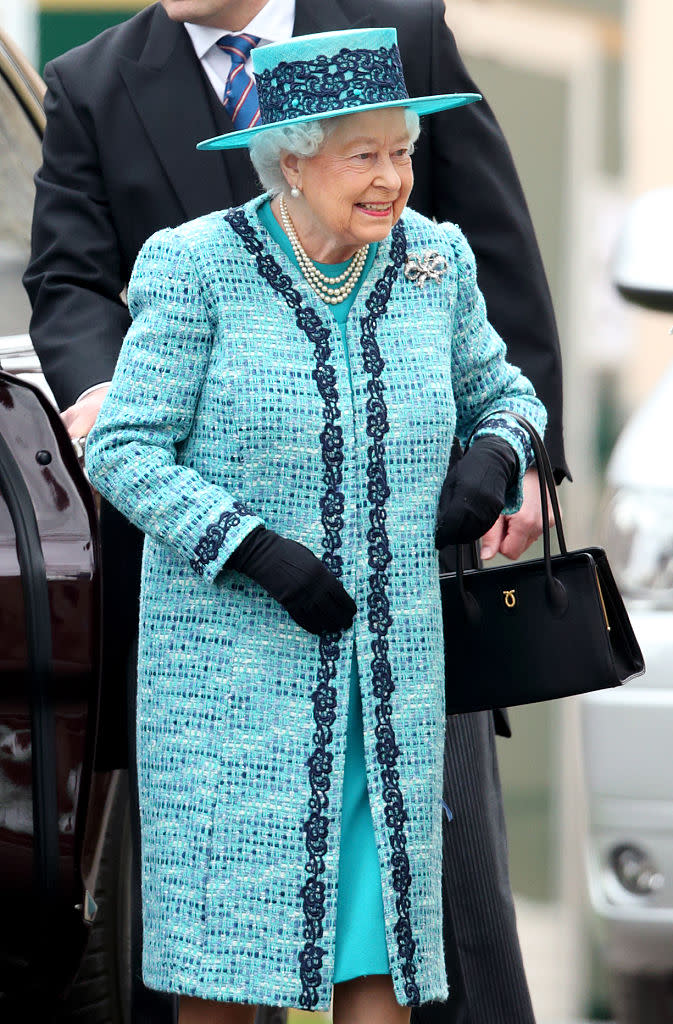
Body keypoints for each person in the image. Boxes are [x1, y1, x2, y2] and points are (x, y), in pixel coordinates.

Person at [24, 2, 568, 1022]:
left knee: (401, 955)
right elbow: (119, 422)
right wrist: (253, 549)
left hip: (394, 675)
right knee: (228, 973)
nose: (393, 178)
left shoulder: (428, 258)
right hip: (230, 678)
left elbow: (506, 368)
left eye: (401, 152)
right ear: (290, 160)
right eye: (365, 155)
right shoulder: (188, 260)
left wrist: (505, 454)